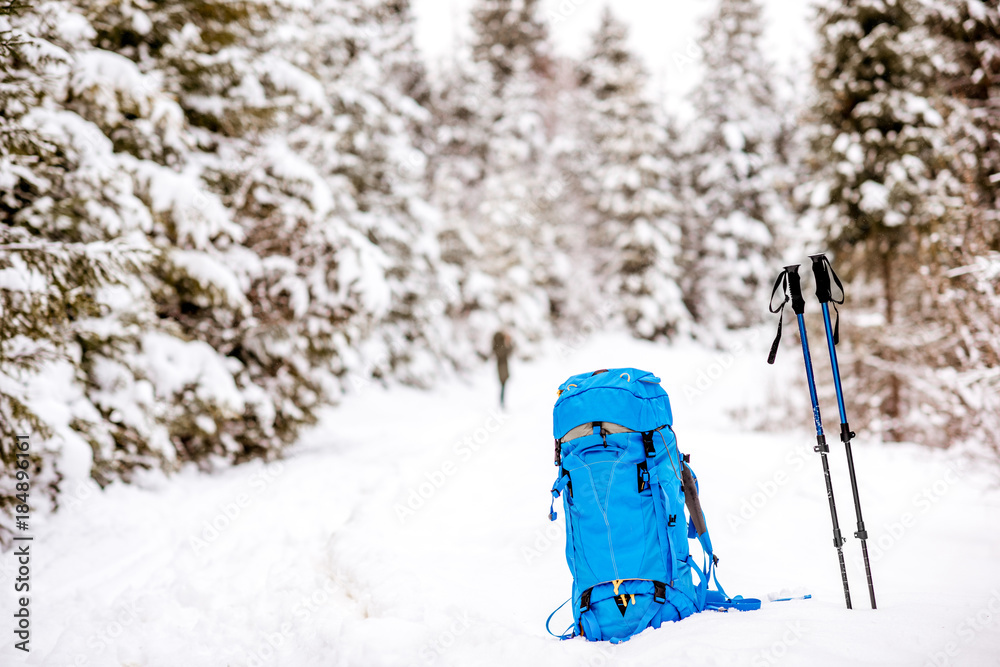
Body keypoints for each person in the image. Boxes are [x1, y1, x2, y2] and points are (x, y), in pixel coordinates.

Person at [492, 329, 513, 408]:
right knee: (502, 384)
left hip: (503, 366)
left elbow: (509, 351)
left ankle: (502, 402)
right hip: (501, 366)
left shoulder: (501, 345)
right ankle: (501, 402)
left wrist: (508, 343)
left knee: (503, 385)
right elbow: (502, 353)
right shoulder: (499, 345)